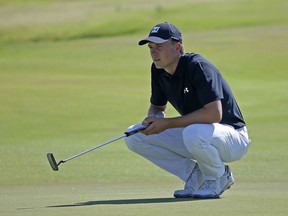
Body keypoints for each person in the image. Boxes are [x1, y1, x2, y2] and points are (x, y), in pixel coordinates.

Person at [124, 22, 251, 199]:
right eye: (151, 47)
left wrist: (167, 123)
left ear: (178, 47)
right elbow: (158, 106)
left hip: (232, 138)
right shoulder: (158, 69)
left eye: (159, 46)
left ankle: (219, 177)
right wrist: (153, 118)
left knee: (193, 132)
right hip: (197, 135)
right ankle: (195, 175)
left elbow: (214, 114)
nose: (153, 52)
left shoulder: (198, 66)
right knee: (134, 135)